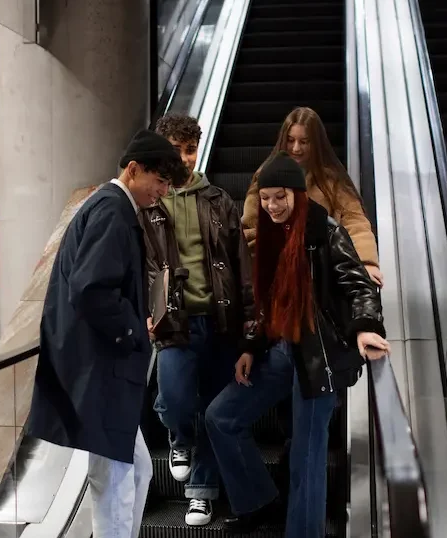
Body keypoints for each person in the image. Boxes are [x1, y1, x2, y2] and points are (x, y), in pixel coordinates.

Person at [205, 152, 390, 536]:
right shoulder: (270, 237)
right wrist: (250, 347)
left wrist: (364, 328)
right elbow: (264, 302)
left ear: (297, 195)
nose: (272, 206)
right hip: (280, 351)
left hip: (316, 357)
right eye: (266, 198)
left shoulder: (325, 231)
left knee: (306, 457)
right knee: (220, 417)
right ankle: (257, 499)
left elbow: (358, 286)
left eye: (280, 197)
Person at [25, 129, 188, 538]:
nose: (163, 192)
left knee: (136, 473)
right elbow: (92, 288)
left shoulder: (107, 207)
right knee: (117, 483)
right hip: (99, 373)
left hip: (97, 371)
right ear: (133, 170)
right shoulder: (113, 210)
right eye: (160, 181)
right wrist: (135, 326)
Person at [139, 113, 255, 526]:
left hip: (220, 320)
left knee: (211, 406)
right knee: (175, 399)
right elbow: (140, 266)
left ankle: (201, 494)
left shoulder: (219, 200)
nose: (185, 159)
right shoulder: (149, 200)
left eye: (190, 150)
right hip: (174, 322)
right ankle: (177, 436)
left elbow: (241, 265)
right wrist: (144, 313)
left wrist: (247, 330)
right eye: (176, 150)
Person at [242, 106, 384, 287]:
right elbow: (250, 228)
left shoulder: (331, 181)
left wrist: (366, 262)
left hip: (323, 277)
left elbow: (355, 221)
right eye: (290, 140)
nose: (296, 148)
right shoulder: (266, 176)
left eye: (304, 141)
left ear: (316, 143)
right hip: (277, 278)